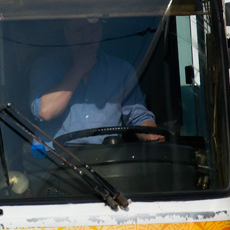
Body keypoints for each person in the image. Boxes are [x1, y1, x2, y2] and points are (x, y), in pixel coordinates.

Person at [29, 17, 163, 143]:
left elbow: (138, 117)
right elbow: (45, 111)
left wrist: (153, 135)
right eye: (80, 31)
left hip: (104, 160)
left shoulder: (120, 70)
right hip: (56, 161)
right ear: (67, 32)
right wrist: (79, 68)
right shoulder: (46, 66)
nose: (88, 38)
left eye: (94, 31)